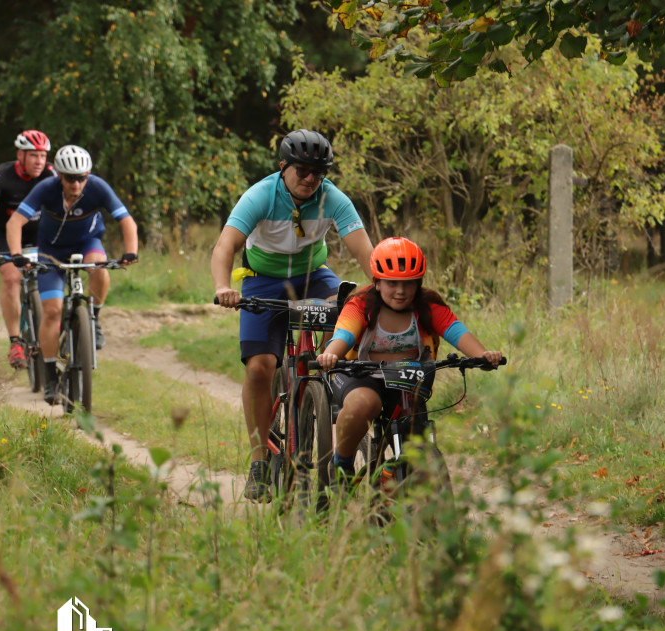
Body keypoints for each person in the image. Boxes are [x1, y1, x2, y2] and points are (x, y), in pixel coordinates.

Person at [212, 129, 375, 502]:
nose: (310, 178)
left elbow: (367, 254)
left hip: (312, 277)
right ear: (283, 167)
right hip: (262, 281)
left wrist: (385, 289)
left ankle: (341, 397)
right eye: (302, 170)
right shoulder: (260, 195)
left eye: (318, 172)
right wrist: (224, 286)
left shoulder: (332, 198)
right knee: (259, 368)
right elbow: (225, 246)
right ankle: (258, 460)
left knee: (353, 310)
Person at [316, 237, 503, 481]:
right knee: (364, 405)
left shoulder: (428, 306)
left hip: (407, 381)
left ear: (419, 283)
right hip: (361, 376)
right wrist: (332, 353)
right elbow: (345, 333)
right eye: (392, 283)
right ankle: (342, 464)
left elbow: (456, 331)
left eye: (409, 283)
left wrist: (483, 356)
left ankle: (404, 489)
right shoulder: (361, 304)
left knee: (416, 438)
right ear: (377, 282)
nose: (401, 291)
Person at [6, 144, 139, 405]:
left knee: (99, 267)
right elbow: (14, 223)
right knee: (52, 310)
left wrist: (131, 252)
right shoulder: (46, 188)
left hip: (87, 243)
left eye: (82, 178)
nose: (76, 184)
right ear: (59, 176)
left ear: (88, 176)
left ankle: (94, 317)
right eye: (70, 178)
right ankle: (50, 375)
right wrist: (16, 254)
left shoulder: (98, 187)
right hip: (50, 252)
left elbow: (127, 221)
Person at [0, 130, 57, 369]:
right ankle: (16, 343)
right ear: (20, 155)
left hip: (40, 233)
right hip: (4, 235)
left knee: (57, 273)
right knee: (11, 278)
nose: (39, 161)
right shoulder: (2, 175)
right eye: (33, 156)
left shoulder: (51, 174)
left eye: (43, 156)